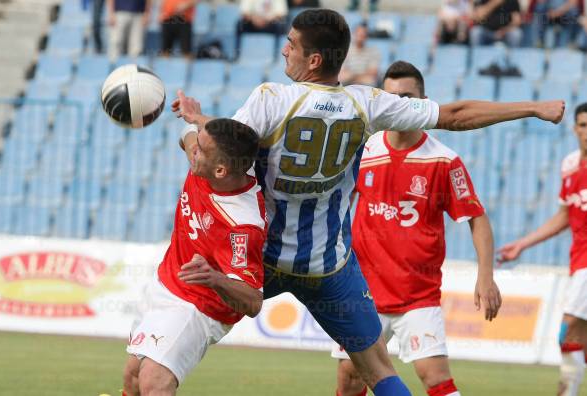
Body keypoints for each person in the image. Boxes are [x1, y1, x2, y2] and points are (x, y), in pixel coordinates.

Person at [172, 8, 564, 396]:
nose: (283, 51)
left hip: (265, 262)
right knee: (376, 369)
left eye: (290, 44)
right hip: (328, 267)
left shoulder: (270, 99)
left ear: (314, 59)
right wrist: (532, 108)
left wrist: (195, 127)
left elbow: (227, 156)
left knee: (172, 336)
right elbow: (456, 114)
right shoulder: (367, 104)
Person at [331, 61, 501, 396]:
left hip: (417, 295)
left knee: (435, 378)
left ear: (425, 102)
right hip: (362, 293)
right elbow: (334, 203)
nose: (399, 105)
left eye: (408, 97)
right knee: (350, 379)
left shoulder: (443, 160)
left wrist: (485, 276)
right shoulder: (363, 149)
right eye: (392, 97)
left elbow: (477, 218)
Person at [122, 118, 267, 395]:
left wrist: (214, 279)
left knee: (154, 380)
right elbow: (187, 135)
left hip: (199, 305)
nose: (193, 151)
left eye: (200, 149)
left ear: (221, 170)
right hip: (166, 282)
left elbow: (252, 301)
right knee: (133, 378)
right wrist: (194, 119)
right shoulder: (205, 162)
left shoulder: (242, 225)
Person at [498, 103, 587, 396]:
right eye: (583, 125)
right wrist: (523, 243)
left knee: (568, 331)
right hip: (577, 263)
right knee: (578, 340)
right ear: (575, 129)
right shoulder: (570, 165)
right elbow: (563, 216)